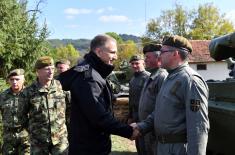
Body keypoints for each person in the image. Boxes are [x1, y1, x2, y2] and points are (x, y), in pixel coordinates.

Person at [58, 34, 139, 155]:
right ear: (99, 51)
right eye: (112, 52)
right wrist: (127, 131)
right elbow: (97, 115)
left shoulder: (94, 72)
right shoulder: (89, 77)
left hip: (92, 143)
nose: (116, 57)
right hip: (88, 147)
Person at [132, 35, 209, 155]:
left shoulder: (190, 80)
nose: (159, 55)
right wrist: (141, 127)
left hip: (178, 149)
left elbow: (198, 126)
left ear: (175, 54)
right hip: (163, 147)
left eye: (162, 51)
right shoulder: (170, 77)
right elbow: (159, 112)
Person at [20, 56, 68, 155]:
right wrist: (33, 131)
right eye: (47, 69)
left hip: (60, 139)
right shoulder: (28, 91)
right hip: (38, 141)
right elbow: (22, 116)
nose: (51, 72)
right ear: (38, 71)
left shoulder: (61, 86)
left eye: (52, 69)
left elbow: (70, 108)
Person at [138, 44, 168, 155]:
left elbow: (163, 107)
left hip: (154, 131)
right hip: (147, 128)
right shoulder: (151, 76)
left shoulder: (162, 77)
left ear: (158, 58)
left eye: (147, 57)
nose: (145, 60)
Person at [0, 69, 30, 155]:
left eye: (17, 79)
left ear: (23, 80)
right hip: (8, 137)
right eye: (12, 79)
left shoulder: (30, 94)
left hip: (26, 135)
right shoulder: (3, 96)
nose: (14, 82)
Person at [128, 54, 150, 155]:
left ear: (143, 63)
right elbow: (131, 100)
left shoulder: (149, 77)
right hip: (136, 116)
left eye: (137, 63)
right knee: (139, 144)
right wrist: (130, 116)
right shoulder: (133, 79)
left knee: (147, 145)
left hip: (146, 116)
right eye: (132, 64)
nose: (134, 65)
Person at [55, 59, 71, 140]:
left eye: (61, 67)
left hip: (72, 112)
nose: (59, 70)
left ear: (68, 68)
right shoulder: (54, 81)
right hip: (59, 112)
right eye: (57, 68)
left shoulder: (74, 79)